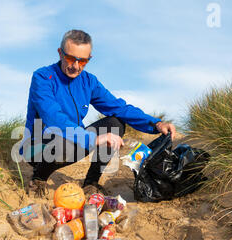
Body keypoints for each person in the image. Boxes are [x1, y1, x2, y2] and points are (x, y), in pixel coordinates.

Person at [19, 30, 176, 198]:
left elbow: (119, 108)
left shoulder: (89, 81)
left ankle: (91, 183)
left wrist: (156, 124)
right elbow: (54, 118)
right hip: (38, 148)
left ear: (89, 59)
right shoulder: (42, 78)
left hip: (73, 141)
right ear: (60, 53)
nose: (76, 66)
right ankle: (38, 178)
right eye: (71, 58)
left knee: (115, 123)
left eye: (83, 61)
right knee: (68, 140)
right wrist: (93, 139)